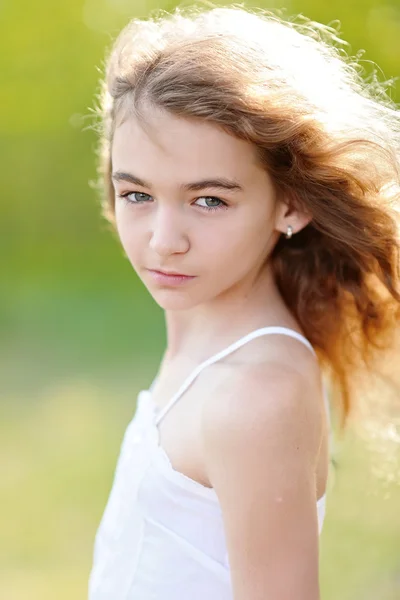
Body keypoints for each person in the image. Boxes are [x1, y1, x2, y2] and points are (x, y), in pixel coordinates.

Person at [88, 5, 400, 599]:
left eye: (208, 201)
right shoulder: (202, 333)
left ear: (291, 205)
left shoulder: (255, 395)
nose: (164, 240)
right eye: (137, 193)